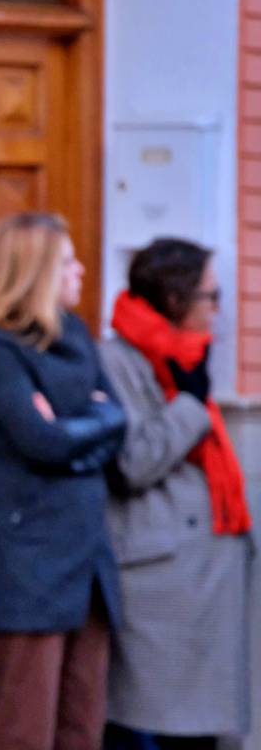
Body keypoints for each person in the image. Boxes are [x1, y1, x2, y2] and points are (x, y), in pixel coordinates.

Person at [0, 212, 126, 750]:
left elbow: (118, 420)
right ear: (32, 271)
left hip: (87, 559)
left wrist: (76, 429)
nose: (80, 270)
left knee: (83, 725)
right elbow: (41, 440)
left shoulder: (73, 333)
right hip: (27, 564)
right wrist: (81, 431)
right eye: (67, 260)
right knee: (21, 731)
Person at [100, 238, 252, 749]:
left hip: (195, 578)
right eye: (210, 295)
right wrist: (188, 401)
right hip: (158, 579)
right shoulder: (117, 359)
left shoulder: (186, 357)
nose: (218, 308)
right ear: (175, 297)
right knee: (149, 727)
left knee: (194, 731)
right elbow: (134, 460)